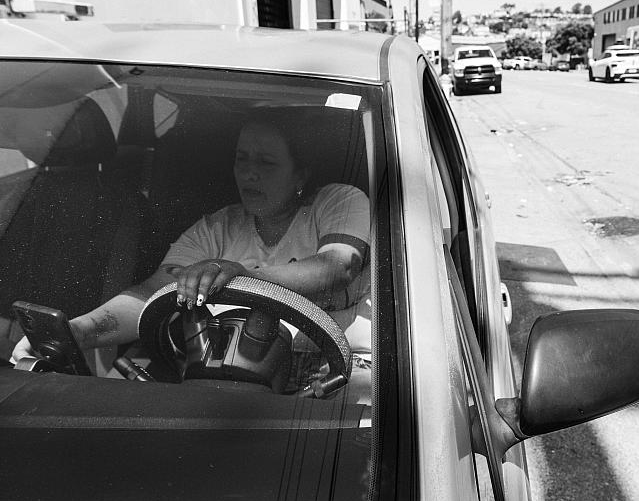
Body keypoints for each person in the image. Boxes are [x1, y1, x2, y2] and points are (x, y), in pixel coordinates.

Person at [11, 108, 370, 367]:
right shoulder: (217, 228)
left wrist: (240, 275)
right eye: (241, 158)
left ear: (301, 175)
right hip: (238, 377)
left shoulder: (339, 200)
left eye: (266, 163)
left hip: (341, 374)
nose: (248, 173)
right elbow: (151, 294)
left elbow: (337, 266)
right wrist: (77, 333)